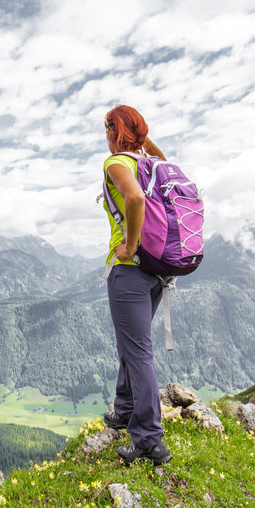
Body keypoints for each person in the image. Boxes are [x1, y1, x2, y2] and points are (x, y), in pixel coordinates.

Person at [101, 104, 172, 466]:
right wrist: (142, 139)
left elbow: (135, 198)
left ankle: (149, 440)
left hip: (130, 268)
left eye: (108, 129)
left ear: (115, 131)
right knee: (132, 345)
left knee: (137, 350)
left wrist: (128, 245)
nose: (105, 136)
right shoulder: (150, 165)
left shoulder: (116, 165)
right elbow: (166, 159)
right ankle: (125, 409)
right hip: (157, 270)